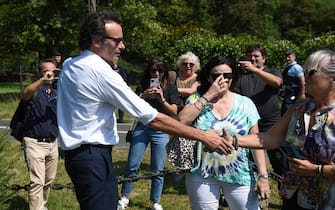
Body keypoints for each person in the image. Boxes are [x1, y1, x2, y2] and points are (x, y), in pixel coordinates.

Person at [56, 10, 233, 210]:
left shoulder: (71, 64)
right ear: (97, 41)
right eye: (117, 41)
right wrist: (203, 136)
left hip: (80, 157)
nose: (122, 46)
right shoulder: (100, 71)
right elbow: (152, 118)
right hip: (92, 157)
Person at [223, 49, 335, 210]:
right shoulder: (300, 108)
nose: (304, 76)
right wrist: (233, 140)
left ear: (333, 78)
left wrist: (316, 170)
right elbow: (270, 138)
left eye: (311, 72)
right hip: (293, 198)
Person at [178, 56, 270, 210]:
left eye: (228, 76)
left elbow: (256, 141)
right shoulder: (197, 99)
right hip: (202, 174)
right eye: (216, 76)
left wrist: (263, 175)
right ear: (208, 77)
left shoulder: (245, 103)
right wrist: (209, 95)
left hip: (239, 174)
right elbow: (182, 121)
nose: (223, 80)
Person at [118, 57, 182, 210]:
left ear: (164, 72)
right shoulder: (142, 85)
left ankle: (155, 201)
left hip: (161, 129)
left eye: (160, 71)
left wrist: (162, 99)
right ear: (149, 71)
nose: (156, 74)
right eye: (153, 70)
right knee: (133, 164)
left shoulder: (171, 87)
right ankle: (125, 196)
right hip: (142, 127)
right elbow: (130, 106)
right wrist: (144, 95)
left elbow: (174, 111)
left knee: (157, 167)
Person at [234, 44, 284, 178]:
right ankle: (254, 187)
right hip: (249, 124)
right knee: (250, 160)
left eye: (256, 56)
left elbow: (277, 83)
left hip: (271, 123)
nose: (252, 59)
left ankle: (285, 190)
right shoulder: (242, 77)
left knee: (278, 158)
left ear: (264, 59)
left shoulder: (272, 71)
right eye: (249, 56)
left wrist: (255, 70)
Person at [22, 58, 59, 210]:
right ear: (40, 73)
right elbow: (25, 94)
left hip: (52, 143)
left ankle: (41, 206)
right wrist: (42, 80)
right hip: (34, 142)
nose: (49, 74)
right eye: (45, 71)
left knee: (48, 179)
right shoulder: (35, 91)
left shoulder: (57, 93)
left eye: (52, 71)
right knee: (37, 181)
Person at [281, 49, 305, 115]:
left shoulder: (296, 67)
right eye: (286, 57)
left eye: (289, 57)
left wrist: (302, 94)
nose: (287, 58)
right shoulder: (286, 66)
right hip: (288, 92)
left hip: (294, 92)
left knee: (288, 110)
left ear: (294, 57)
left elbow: (302, 82)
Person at [111, 56, 128, 123]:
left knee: (120, 103)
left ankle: (121, 118)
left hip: (119, 88)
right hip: (111, 88)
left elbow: (124, 77)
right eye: (113, 59)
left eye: (115, 60)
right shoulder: (108, 68)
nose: (114, 61)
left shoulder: (120, 68)